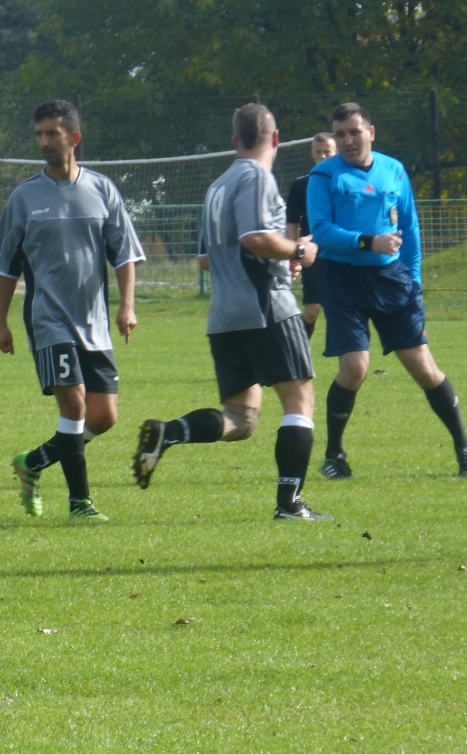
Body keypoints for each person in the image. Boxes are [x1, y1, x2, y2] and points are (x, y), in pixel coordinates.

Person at [132, 103, 331, 521]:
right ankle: (290, 505)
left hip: (224, 316)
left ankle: (169, 433)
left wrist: (279, 257)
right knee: (300, 401)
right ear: (275, 139)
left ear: (233, 141)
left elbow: (207, 259)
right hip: (265, 308)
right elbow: (256, 237)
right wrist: (297, 249)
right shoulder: (256, 176)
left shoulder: (216, 185)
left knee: (241, 419)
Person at [0, 99, 145, 524]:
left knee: (104, 416)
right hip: (47, 320)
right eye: (39, 134)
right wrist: (0, 323)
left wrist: (126, 306)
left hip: (94, 322)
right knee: (73, 407)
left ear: (74, 138)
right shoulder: (24, 198)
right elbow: (6, 266)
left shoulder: (103, 190)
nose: (43, 141)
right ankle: (80, 504)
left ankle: (33, 461)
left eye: (52, 133)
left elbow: (124, 255)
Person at [307, 102, 467, 479]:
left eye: (354, 132)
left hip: (392, 280)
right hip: (342, 280)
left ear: (371, 131)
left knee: (424, 368)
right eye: (340, 134)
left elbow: (412, 231)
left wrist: (414, 280)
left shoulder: (394, 170)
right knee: (354, 368)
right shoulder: (323, 176)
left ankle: (465, 449)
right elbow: (321, 231)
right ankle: (334, 455)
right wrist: (370, 242)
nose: (348, 140)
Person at [284, 132, 337, 338]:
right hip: (311, 254)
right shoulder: (301, 185)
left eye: (327, 152)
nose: (323, 156)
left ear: (336, 152)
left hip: (340, 251)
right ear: (312, 154)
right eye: (319, 152)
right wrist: (292, 254)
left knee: (342, 309)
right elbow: (292, 221)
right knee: (312, 309)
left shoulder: (345, 182)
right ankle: (297, 348)